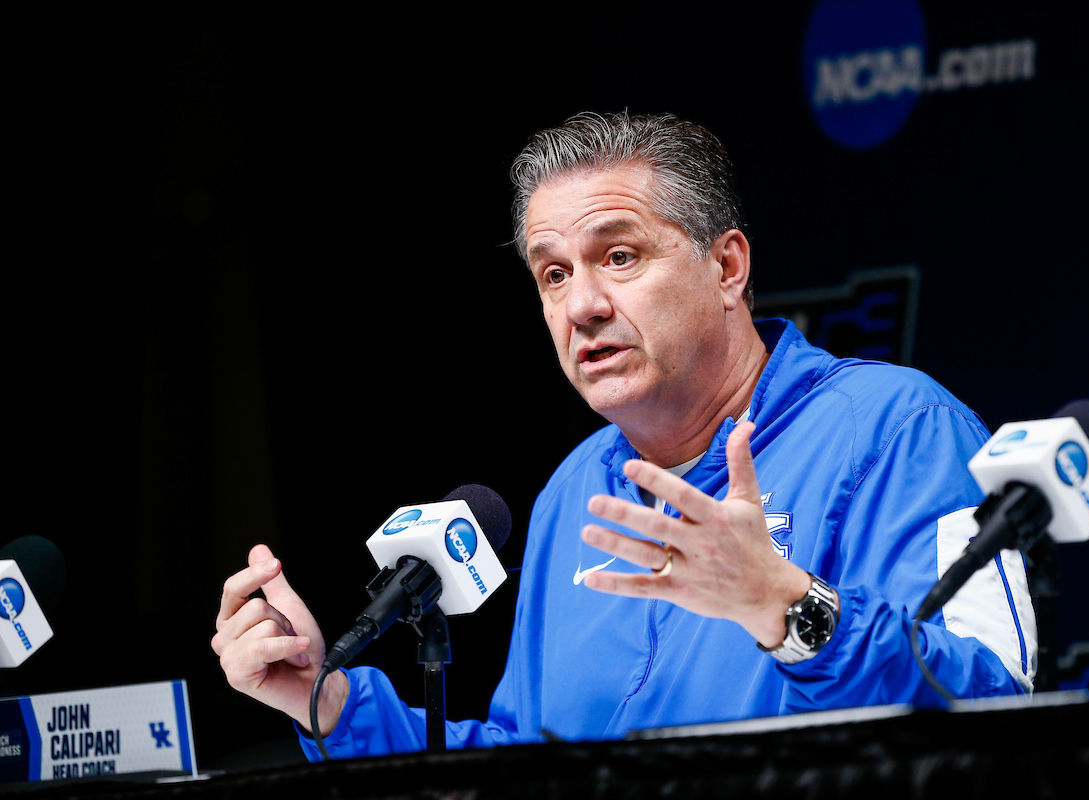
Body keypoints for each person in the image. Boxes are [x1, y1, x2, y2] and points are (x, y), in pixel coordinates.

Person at [212, 111, 1036, 759]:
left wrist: (787, 606)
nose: (582, 307)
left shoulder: (900, 425)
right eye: (554, 273)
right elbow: (529, 762)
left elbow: (1000, 703)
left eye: (620, 256)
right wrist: (329, 705)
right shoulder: (576, 488)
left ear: (727, 267)